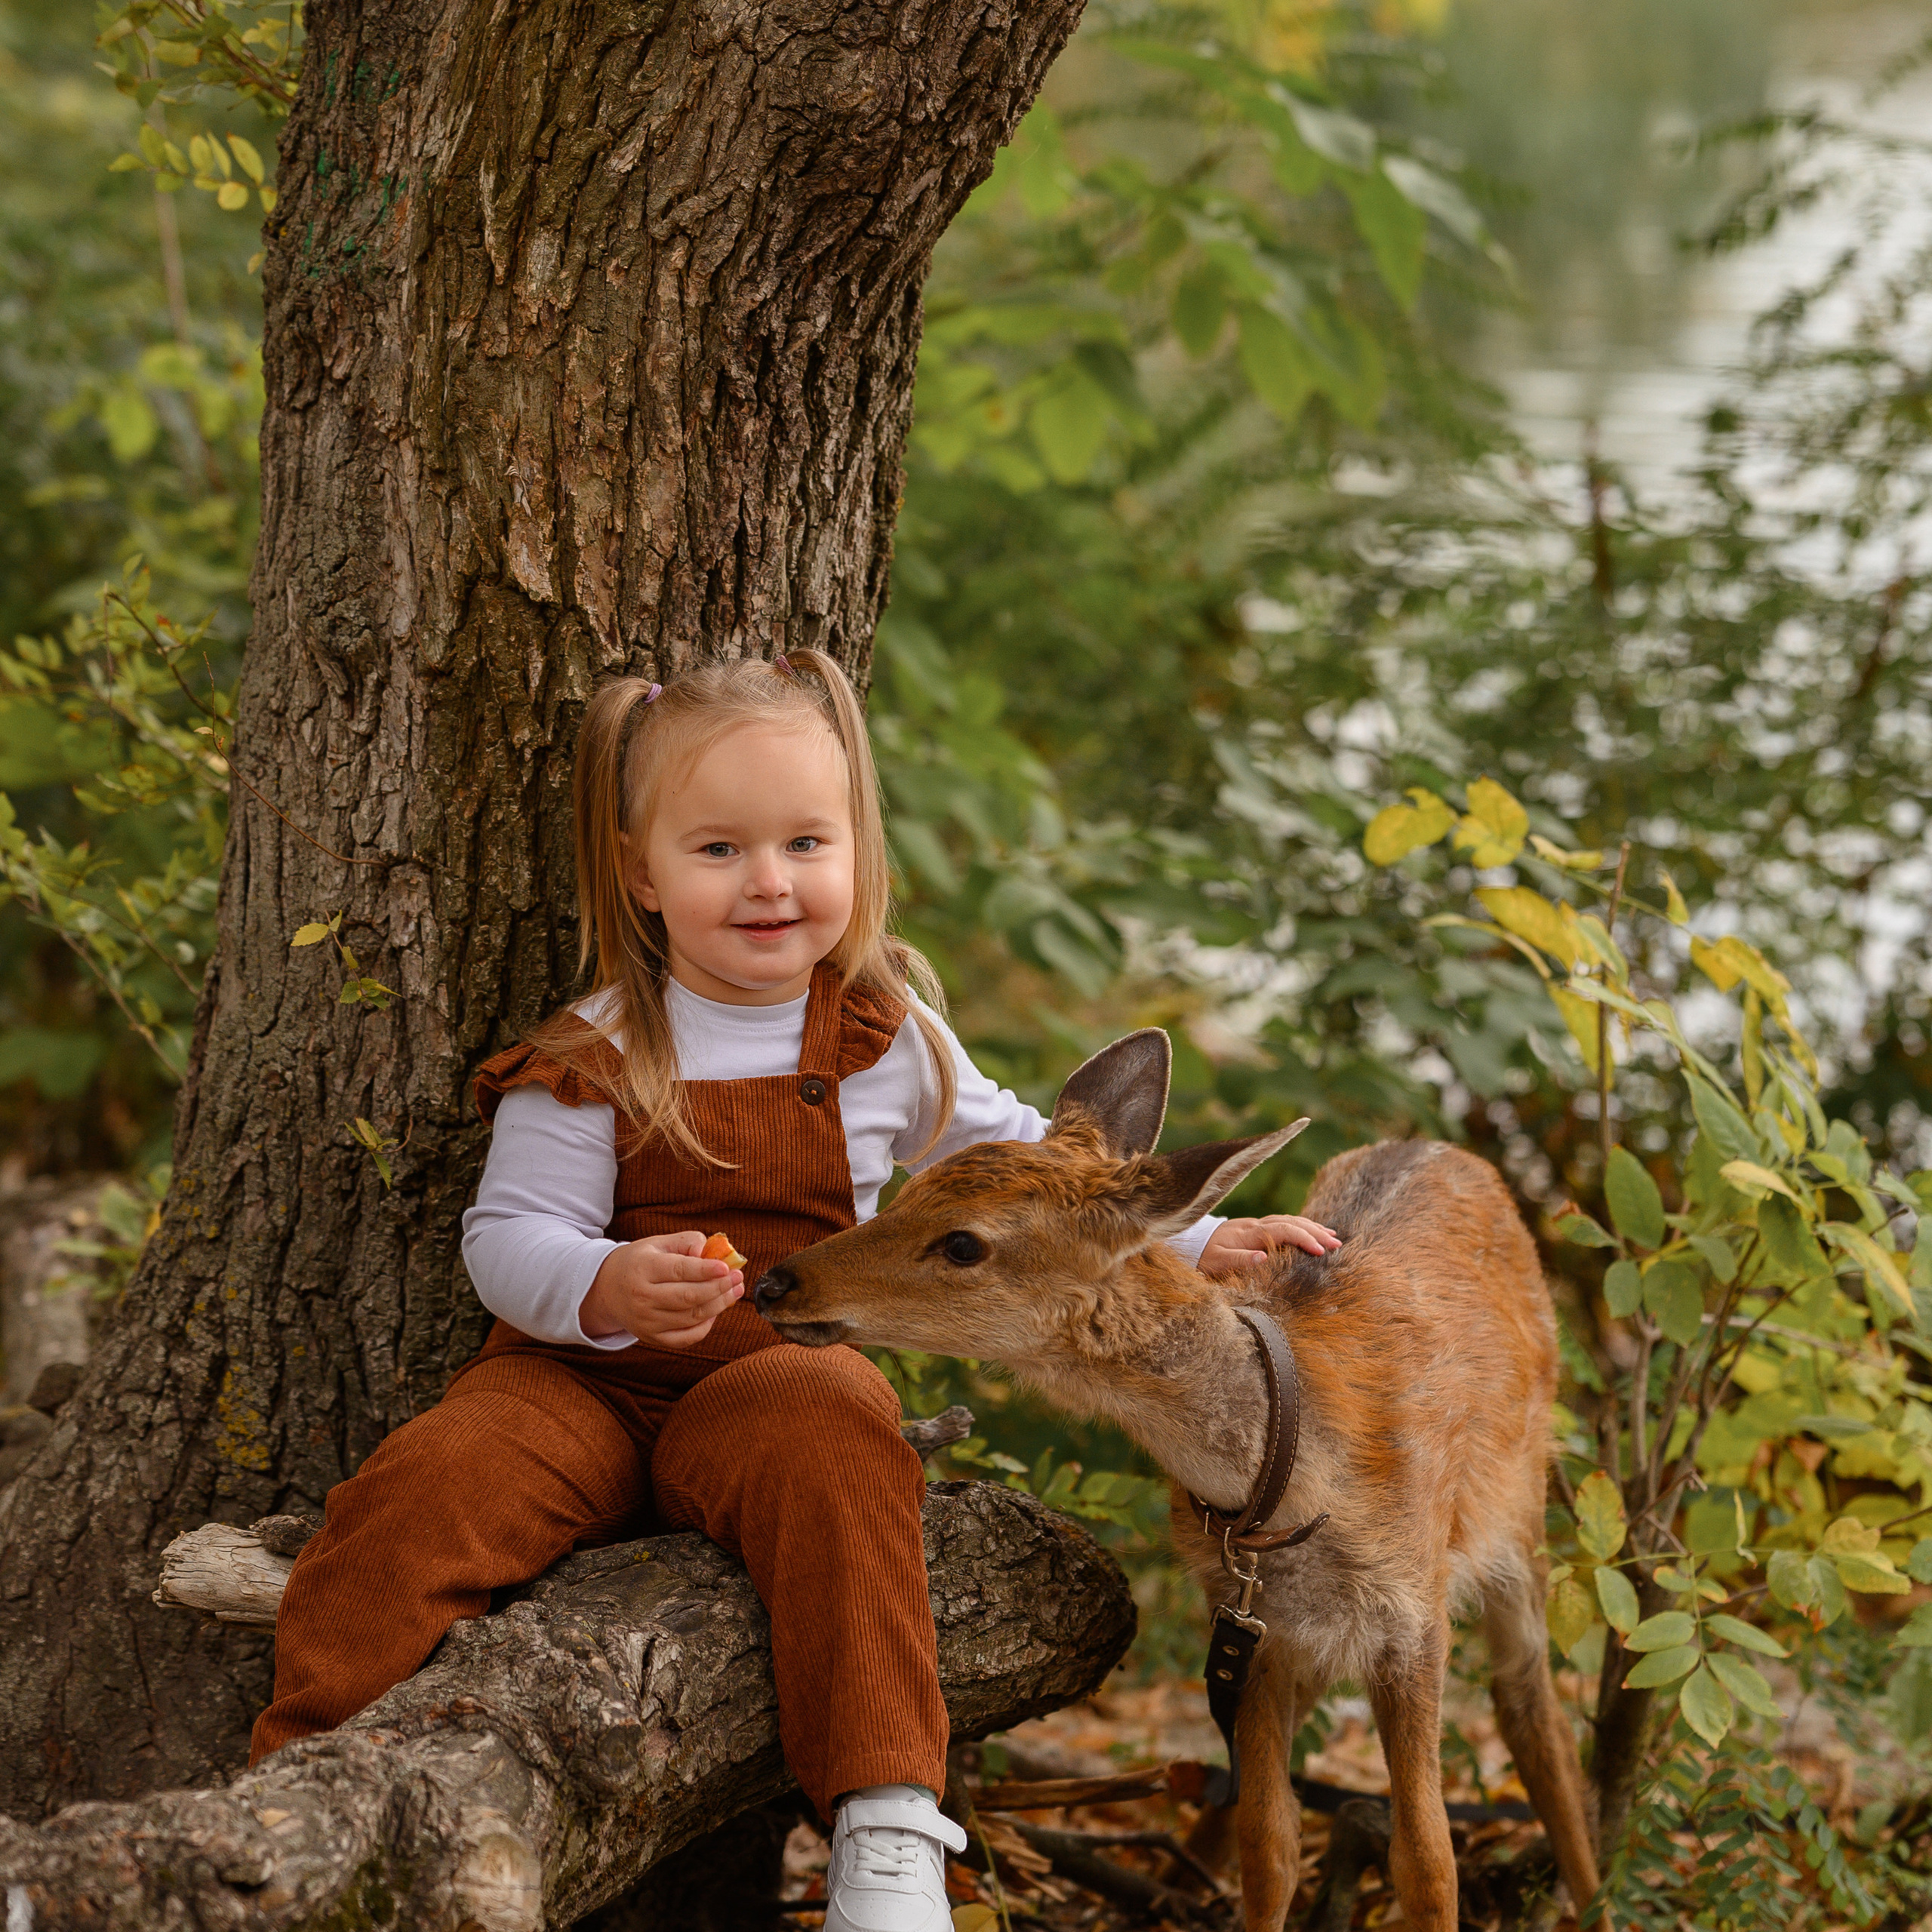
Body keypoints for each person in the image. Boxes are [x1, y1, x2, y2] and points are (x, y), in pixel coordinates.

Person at [251, 648, 1340, 1931]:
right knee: (426, 1486)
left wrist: (1204, 1242)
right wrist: (602, 1280)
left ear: (857, 856)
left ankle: (885, 1824)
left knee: (839, 1439)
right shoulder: (599, 1049)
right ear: (642, 876)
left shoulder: (890, 1039)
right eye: (718, 850)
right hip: (576, 1383)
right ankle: (296, 1793)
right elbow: (509, 1235)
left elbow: (1048, 1189)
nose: (769, 882)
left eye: (805, 843)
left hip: (774, 1370)